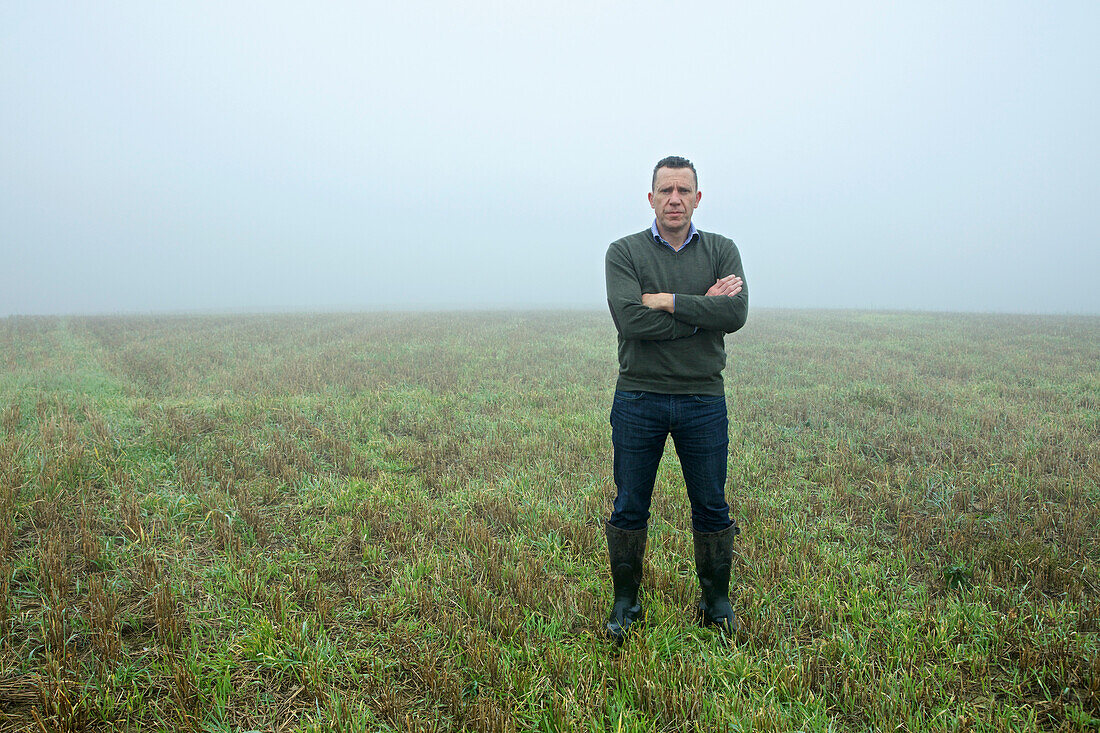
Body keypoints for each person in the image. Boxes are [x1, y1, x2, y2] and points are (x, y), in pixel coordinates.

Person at [603, 155, 748, 640]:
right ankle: (625, 602)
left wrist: (665, 300)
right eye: (665, 190)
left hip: (703, 400)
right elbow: (630, 320)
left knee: (711, 505)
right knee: (629, 505)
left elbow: (736, 314)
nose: (674, 199)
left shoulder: (723, 250)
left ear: (697, 198)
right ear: (650, 198)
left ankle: (716, 603)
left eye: (683, 190)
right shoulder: (623, 253)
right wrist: (703, 308)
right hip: (638, 398)